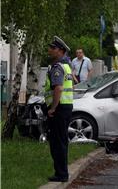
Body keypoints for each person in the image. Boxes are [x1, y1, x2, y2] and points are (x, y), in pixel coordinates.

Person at [46, 36, 74, 182]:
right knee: (62, 141)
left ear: (61, 51)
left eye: (53, 48)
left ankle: (61, 174)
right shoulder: (67, 66)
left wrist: (52, 108)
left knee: (58, 143)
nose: (50, 50)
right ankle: (62, 173)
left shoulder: (58, 67)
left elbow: (58, 88)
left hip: (59, 109)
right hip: (66, 108)